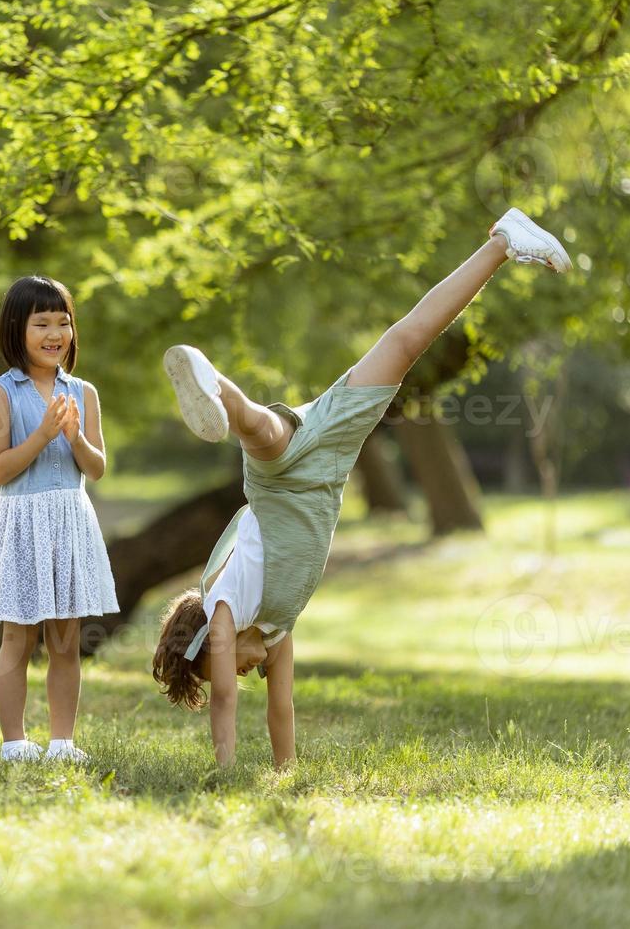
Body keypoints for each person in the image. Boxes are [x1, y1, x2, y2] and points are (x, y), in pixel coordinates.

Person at [151, 208, 573, 767]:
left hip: (281, 483)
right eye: (236, 669)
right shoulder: (275, 628)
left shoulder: (226, 606)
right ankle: (501, 241)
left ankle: (212, 382)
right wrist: (286, 772)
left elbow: (224, 699)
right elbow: (283, 708)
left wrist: (225, 770)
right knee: (403, 344)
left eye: (227, 664)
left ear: (211, 643)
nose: (240, 673)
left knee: (261, 432)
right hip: (325, 468)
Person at [0, 276, 120, 763]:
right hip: (22, 523)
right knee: (17, 636)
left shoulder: (83, 392)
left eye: (63, 323)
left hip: (69, 520)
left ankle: (62, 742)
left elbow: (95, 467)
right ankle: (14, 743)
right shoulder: (0, 393)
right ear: (17, 328)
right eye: (42, 323)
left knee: (66, 639)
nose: (55, 333)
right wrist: (43, 433)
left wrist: (73, 438)